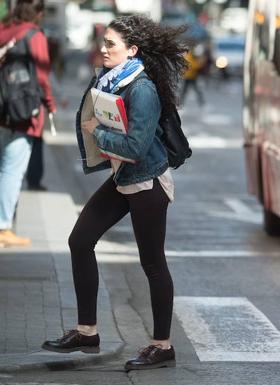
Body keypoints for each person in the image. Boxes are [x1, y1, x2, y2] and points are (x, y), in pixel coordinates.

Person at [41, 15, 188, 371]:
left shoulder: (141, 88)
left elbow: (136, 146)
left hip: (147, 182)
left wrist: (97, 133)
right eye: (103, 42)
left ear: (132, 50)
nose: (103, 48)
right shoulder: (114, 80)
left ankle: (162, 345)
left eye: (111, 44)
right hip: (125, 178)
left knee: (152, 264)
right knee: (80, 241)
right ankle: (87, 331)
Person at [0, 0, 56, 247]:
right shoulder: (34, 35)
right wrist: (50, 104)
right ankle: (3, 227)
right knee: (11, 170)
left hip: (2, 109)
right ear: (39, 13)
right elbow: (42, 76)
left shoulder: (4, 30)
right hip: (22, 112)